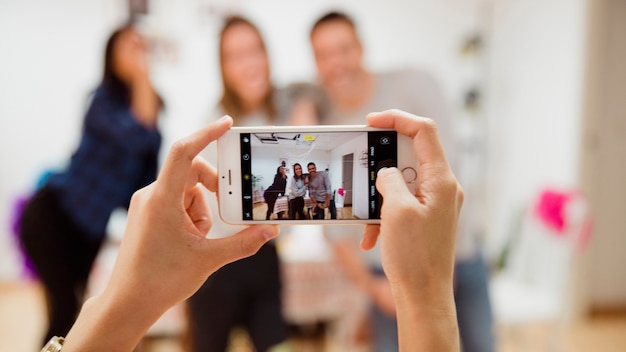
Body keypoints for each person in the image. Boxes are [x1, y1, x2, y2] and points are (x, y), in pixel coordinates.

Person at [51, 110, 463, 352]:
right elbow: (279, 191)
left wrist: (117, 312)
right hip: (234, 260)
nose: (298, 168)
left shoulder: (305, 158)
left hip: (270, 259)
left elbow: (313, 191)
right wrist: (426, 299)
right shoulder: (281, 171)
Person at [308, 11, 494, 352]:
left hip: (458, 255)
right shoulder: (328, 126)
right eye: (324, 55)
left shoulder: (414, 84)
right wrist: (373, 288)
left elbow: (446, 179)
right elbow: (334, 231)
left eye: (343, 49)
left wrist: (440, 271)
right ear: (316, 63)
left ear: (361, 48)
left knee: (480, 345)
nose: (336, 63)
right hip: (387, 274)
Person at [19, 24, 163, 345]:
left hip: (88, 232)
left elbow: (142, 189)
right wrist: (143, 78)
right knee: (63, 312)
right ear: (111, 57)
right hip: (52, 218)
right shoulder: (101, 102)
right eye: (130, 47)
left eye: (143, 47)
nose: (140, 54)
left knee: (76, 316)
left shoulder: (151, 113)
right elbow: (137, 137)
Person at [186, 16, 291, 352]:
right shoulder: (213, 125)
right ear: (223, 67)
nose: (248, 63)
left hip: (266, 255)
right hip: (217, 262)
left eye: (254, 50)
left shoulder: (286, 113)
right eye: (235, 55)